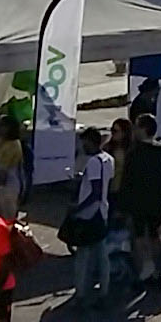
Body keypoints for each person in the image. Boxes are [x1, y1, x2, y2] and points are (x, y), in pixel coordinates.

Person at [114, 111, 161, 289]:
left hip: (139, 203)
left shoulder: (136, 153)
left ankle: (144, 272)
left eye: (137, 126)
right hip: (158, 202)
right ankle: (157, 274)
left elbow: (127, 181)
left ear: (143, 129)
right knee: (156, 237)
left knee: (140, 238)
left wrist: (122, 205)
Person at [64, 126, 116, 308]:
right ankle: (104, 292)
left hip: (89, 215)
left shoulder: (93, 163)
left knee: (83, 258)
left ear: (91, 142)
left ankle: (80, 295)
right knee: (102, 256)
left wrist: (78, 209)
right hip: (102, 212)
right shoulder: (109, 160)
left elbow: (94, 192)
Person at [0, 112, 29, 219]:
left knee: (7, 218)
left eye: (2, 125)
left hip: (8, 184)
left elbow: (3, 168)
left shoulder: (14, 144)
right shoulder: (0, 141)